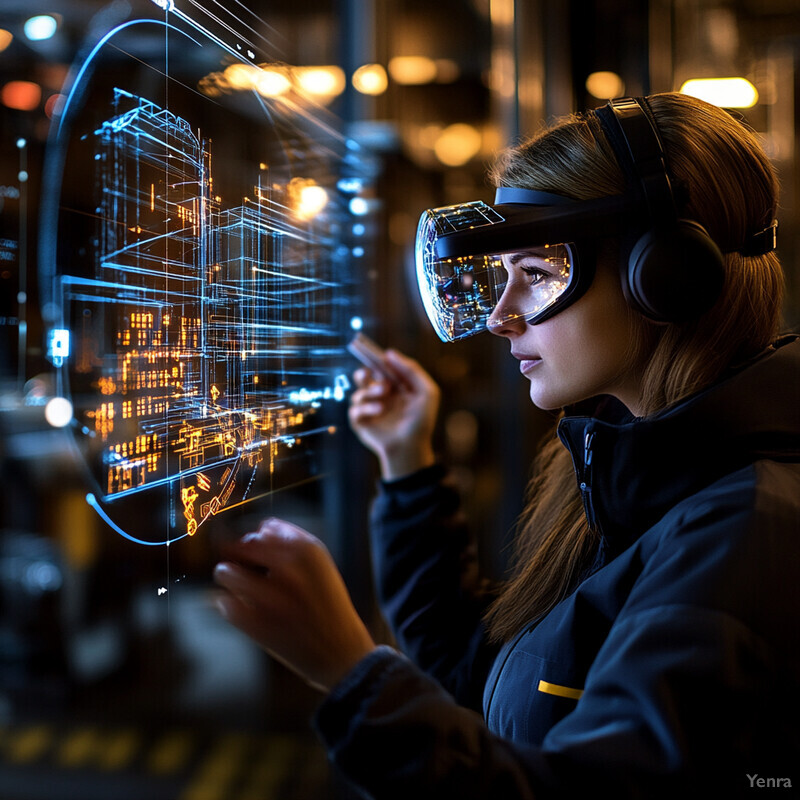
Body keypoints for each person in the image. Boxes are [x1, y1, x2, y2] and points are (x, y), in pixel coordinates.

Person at [212, 93, 800, 798]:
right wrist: (408, 464)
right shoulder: (629, 469)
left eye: (540, 272)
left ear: (665, 273)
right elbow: (481, 682)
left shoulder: (745, 533)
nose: (499, 316)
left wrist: (351, 674)